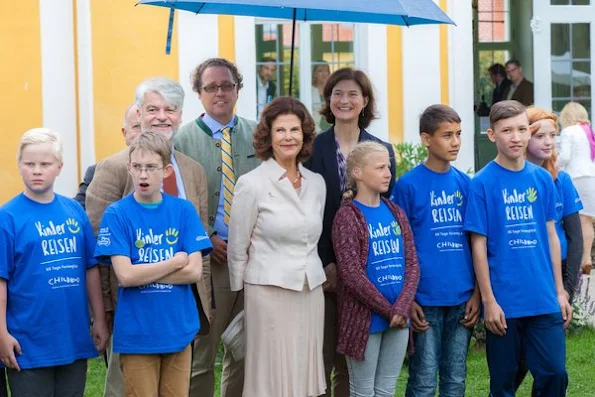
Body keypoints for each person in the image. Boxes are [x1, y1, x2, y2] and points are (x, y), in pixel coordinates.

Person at [86, 78, 211, 397]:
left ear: (181, 115)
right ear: (139, 113)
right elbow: (98, 244)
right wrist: (104, 312)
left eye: (170, 109)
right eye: (153, 108)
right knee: (124, 389)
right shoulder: (114, 168)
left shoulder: (192, 170)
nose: (162, 116)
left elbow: (198, 253)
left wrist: (203, 302)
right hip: (131, 313)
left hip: (181, 309)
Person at [463, 100, 571, 397]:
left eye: (523, 129)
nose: (517, 137)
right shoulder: (482, 183)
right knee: (504, 383)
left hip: (543, 296)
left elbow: (551, 235)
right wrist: (489, 301)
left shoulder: (541, 179)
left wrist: (559, 290)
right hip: (504, 301)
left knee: (555, 374)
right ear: (492, 134)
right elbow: (478, 245)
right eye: (507, 130)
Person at [304, 67, 396, 397]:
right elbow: (308, 211)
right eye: (337, 93)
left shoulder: (380, 149)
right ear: (328, 100)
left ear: (365, 101)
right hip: (322, 266)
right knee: (322, 352)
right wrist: (327, 262)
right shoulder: (312, 149)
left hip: (368, 270)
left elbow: (385, 212)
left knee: (352, 354)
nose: (345, 100)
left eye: (352, 94)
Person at [227, 96, 327, 396]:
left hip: (310, 291)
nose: (288, 137)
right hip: (267, 293)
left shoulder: (317, 183)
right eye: (280, 130)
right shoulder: (251, 183)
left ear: (304, 135)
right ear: (268, 137)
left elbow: (313, 237)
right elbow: (237, 247)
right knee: (269, 376)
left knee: (305, 371)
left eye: (294, 130)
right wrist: (243, 295)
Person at [0, 128, 109, 397]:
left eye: (45, 164)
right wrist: (1, 332)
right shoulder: (8, 217)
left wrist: (99, 319)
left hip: (72, 338)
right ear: (19, 166)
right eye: (29, 164)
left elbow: (90, 268)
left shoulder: (74, 211)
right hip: (28, 342)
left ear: (59, 167)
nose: (37, 170)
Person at [174, 58, 260, 397]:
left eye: (227, 85)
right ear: (199, 93)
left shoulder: (259, 134)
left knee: (245, 347)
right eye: (211, 87)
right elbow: (179, 202)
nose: (220, 93)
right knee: (203, 353)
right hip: (211, 261)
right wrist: (206, 236)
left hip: (254, 259)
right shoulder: (181, 141)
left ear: (238, 88)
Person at [391, 105, 480, 397]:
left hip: (462, 297)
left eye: (458, 134)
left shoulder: (466, 185)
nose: (455, 142)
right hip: (424, 298)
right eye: (447, 135)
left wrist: (477, 294)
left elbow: (476, 243)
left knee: (456, 379)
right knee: (424, 379)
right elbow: (401, 247)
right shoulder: (408, 186)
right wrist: (409, 298)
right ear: (426, 139)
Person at [331, 141, 419, 396]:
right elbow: (351, 275)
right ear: (357, 172)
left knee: (386, 389)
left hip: (398, 317)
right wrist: (389, 310)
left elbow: (412, 263)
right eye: (379, 167)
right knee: (363, 391)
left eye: (389, 167)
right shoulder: (347, 217)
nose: (387, 173)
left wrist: (402, 307)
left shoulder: (395, 212)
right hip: (365, 320)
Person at [514, 106, 584, 395]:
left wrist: (567, 290)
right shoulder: (507, 180)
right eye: (539, 135)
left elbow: (575, 237)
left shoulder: (561, 180)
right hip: (519, 281)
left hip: (554, 283)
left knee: (552, 369)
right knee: (516, 366)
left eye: (552, 136)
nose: (548, 142)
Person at [74, 104, 141, 210]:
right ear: (124, 133)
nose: (143, 133)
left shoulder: (173, 164)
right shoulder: (98, 171)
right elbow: (77, 212)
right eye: (137, 127)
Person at [558, 102, 595, 275]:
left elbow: (564, 156)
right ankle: (586, 259)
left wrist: (551, 168)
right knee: (586, 219)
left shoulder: (568, 131)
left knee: (573, 219)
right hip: (591, 178)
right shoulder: (589, 131)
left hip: (575, 177)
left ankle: (574, 259)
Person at [311, 62, 331, 132]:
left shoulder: (333, 91)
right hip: (315, 130)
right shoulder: (310, 91)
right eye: (320, 71)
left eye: (326, 71)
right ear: (315, 74)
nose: (324, 74)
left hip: (332, 129)